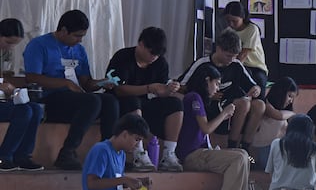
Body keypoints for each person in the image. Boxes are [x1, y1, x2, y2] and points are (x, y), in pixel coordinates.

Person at [23, 9, 120, 170]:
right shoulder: (39, 45)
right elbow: (32, 78)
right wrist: (65, 84)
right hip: (49, 98)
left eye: (82, 36)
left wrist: (102, 83)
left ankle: (107, 152)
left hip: (74, 98)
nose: (80, 40)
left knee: (110, 101)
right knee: (92, 101)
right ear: (63, 30)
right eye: (77, 36)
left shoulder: (79, 50)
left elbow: (86, 84)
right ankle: (67, 152)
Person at [176, 63, 254, 190]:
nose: (217, 88)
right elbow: (206, 128)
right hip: (191, 155)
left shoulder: (201, 99)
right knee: (237, 158)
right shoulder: (194, 97)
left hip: (201, 151)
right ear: (207, 80)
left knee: (244, 154)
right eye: (216, 83)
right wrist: (224, 114)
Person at [106, 27, 183, 172]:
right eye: (151, 52)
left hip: (146, 104)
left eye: (157, 54)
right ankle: (138, 153)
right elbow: (118, 89)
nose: (154, 57)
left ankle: (169, 153)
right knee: (133, 100)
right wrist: (148, 88)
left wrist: (168, 90)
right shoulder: (123, 57)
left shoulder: (160, 63)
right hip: (123, 103)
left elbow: (160, 90)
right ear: (141, 44)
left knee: (176, 104)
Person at [179, 29, 261, 151]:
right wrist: (206, 94)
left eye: (234, 57)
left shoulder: (236, 64)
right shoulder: (202, 64)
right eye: (228, 56)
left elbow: (253, 86)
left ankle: (236, 146)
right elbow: (181, 86)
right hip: (205, 103)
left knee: (253, 104)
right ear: (218, 49)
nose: (231, 60)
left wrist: (256, 89)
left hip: (227, 102)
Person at [0, 18, 44, 171]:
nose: (11, 48)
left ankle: (23, 156)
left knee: (36, 109)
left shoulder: (2, 53)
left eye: (15, 44)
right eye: (8, 42)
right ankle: (4, 156)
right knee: (23, 111)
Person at [247, 77, 298, 170]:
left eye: (293, 98)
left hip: (276, 150)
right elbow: (279, 116)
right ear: (281, 93)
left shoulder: (286, 113)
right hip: (260, 151)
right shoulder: (266, 105)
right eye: (290, 96)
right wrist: (293, 114)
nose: (291, 101)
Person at [222, 1, 268, 99]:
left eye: (234, 21)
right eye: (228, 20)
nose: (231, 24)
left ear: (242, 17)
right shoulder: (228, 32)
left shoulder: (252, 29)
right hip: (238, 66)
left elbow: (243, 55)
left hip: (255, 68)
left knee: (258, 94)